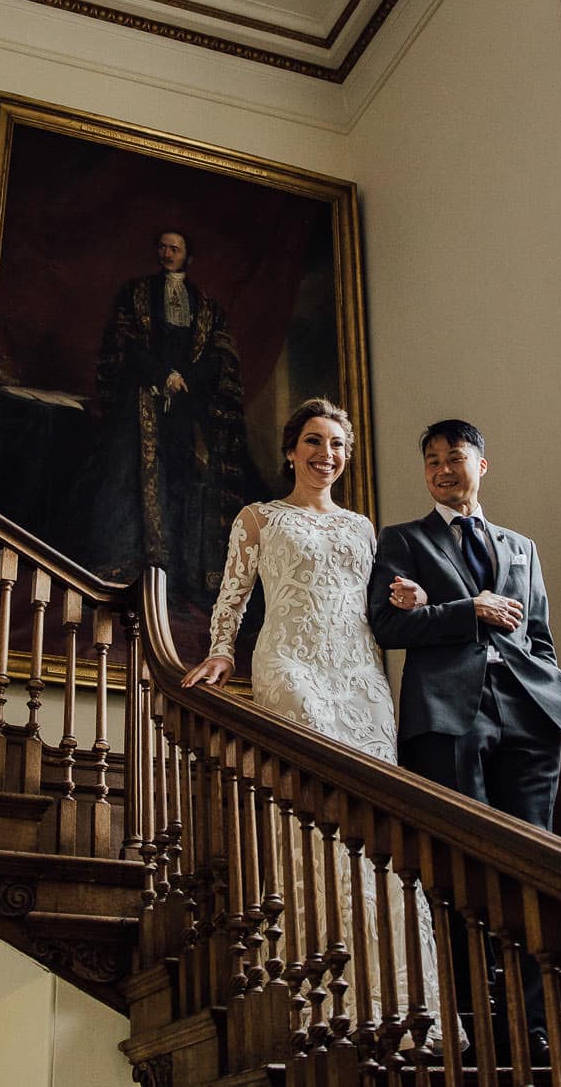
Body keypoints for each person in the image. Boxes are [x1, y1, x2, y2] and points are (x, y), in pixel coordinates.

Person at [180, 399, 443, 1048]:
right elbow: (233, 594)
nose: (328, 454)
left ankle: (397, 1000)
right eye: (315, 441)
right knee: (311, 816)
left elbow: (380, 598)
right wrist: (220, 649)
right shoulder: (260, 518)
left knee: (374, 822)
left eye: (338, 445)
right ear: (292, 450)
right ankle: (314, 995)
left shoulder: (362, 527)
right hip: (291, 666)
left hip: (362, 679)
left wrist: (407, 597)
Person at [367, 419, 561, 1059]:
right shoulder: (402, 541)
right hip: (448, 717)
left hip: (531, 714)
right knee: (464, 868)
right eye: (429, 460)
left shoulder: (523, 546)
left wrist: (544, 680)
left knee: (534, 867)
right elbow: (386, 624)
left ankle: (535, 1029)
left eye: (453, 457)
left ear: (481, 465)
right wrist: (469, 610)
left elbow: (538, 634)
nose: (440, 469)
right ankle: (477, 1027)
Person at [77, 228, 258, 624]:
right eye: (161, 246)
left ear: (188, 254)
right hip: (141, 403)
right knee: (129, 482)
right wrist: (162, 375)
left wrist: (187, 378)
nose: (166, 253)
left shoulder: (206, 306)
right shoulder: (136, 293)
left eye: (174, 248)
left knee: (185, 486)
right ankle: (128, 578)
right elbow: (125, 344)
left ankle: (179, 580)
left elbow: (220, 355)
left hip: (189, 408)